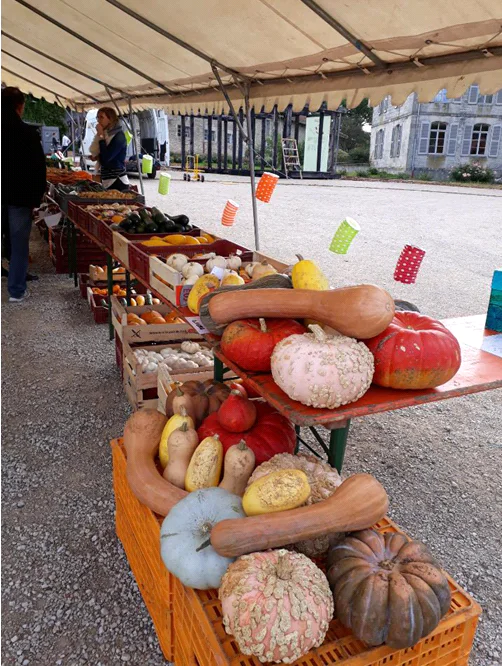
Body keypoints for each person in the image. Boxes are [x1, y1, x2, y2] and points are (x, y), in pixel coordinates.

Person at [1, 87, 46, 302]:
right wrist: (36, 198)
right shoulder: (28, 134)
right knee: (19, 244)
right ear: (20, 107)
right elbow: (38, 169)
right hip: (18, 198)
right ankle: (16, 291)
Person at [94, 107, 130, 191]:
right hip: (108, 180)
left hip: (117, 181)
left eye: (101, 117)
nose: (98, 120)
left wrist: (101, 135)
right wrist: (97, 157)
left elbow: (106, 158)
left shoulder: (119, 136)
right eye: (97, 117)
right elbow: (105, 154)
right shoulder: (108, 135)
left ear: (110, 119)